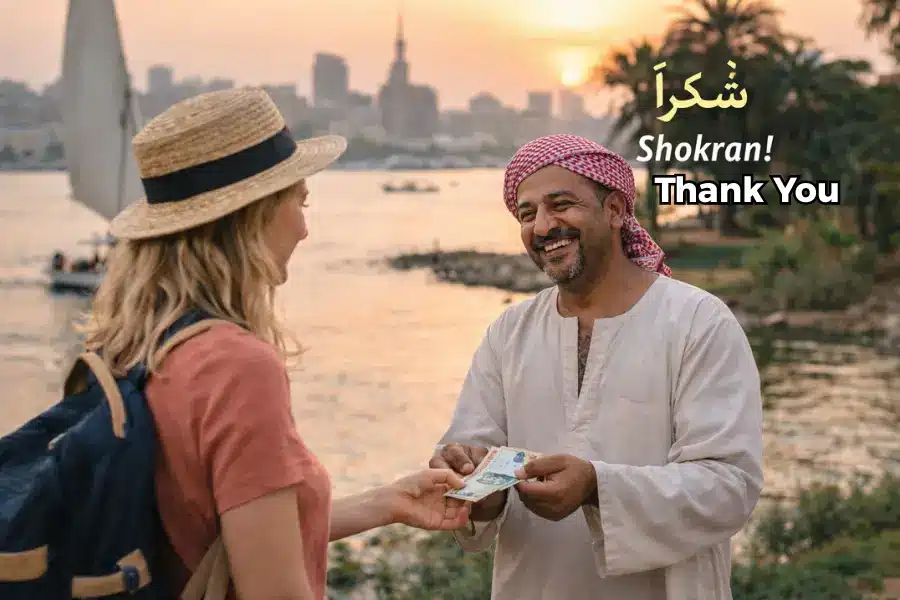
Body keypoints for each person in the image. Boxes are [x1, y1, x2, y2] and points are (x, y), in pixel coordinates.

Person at [84, 88, 471, 600]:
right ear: (253, 216)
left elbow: (220, 533)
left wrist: (386, 502)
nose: (306, 229)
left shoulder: (135, 345)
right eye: (299, 202)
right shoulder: (236, 366)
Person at [430, 134, 763, 600]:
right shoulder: (509, 332)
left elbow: (730, 488)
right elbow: (477, 463)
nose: (543, 226)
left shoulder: (697, 322)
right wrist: (471, 486)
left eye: (560, 204)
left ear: (615, 210)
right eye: (527, 214)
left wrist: (596, 486)